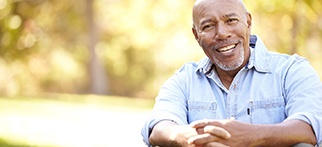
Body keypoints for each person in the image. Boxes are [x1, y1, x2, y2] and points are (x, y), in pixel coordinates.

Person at [141, 0, 322, 146]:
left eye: (231, 21)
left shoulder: (292, 71)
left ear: (248, 22)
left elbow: (310, 128)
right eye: (208, 26)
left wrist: (251, 136)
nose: (222, 33)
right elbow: (158, 128)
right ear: (196, 35)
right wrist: (192, 138)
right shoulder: (184, 79)